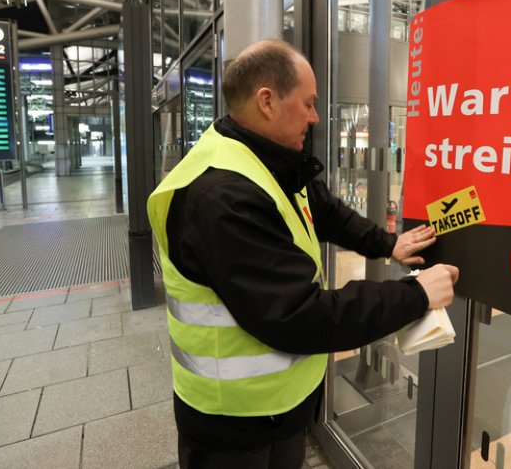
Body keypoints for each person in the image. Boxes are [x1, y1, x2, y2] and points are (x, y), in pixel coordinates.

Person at [147, 39, 458, 469]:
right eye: (308, 103)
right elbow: (299, 314)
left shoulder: (268, 159)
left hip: (281, 408)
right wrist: (416, 295)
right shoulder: (223, 197)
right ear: (268, 101)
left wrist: (388, 244)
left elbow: (324, 211)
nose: (314, 117)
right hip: (233, 425)